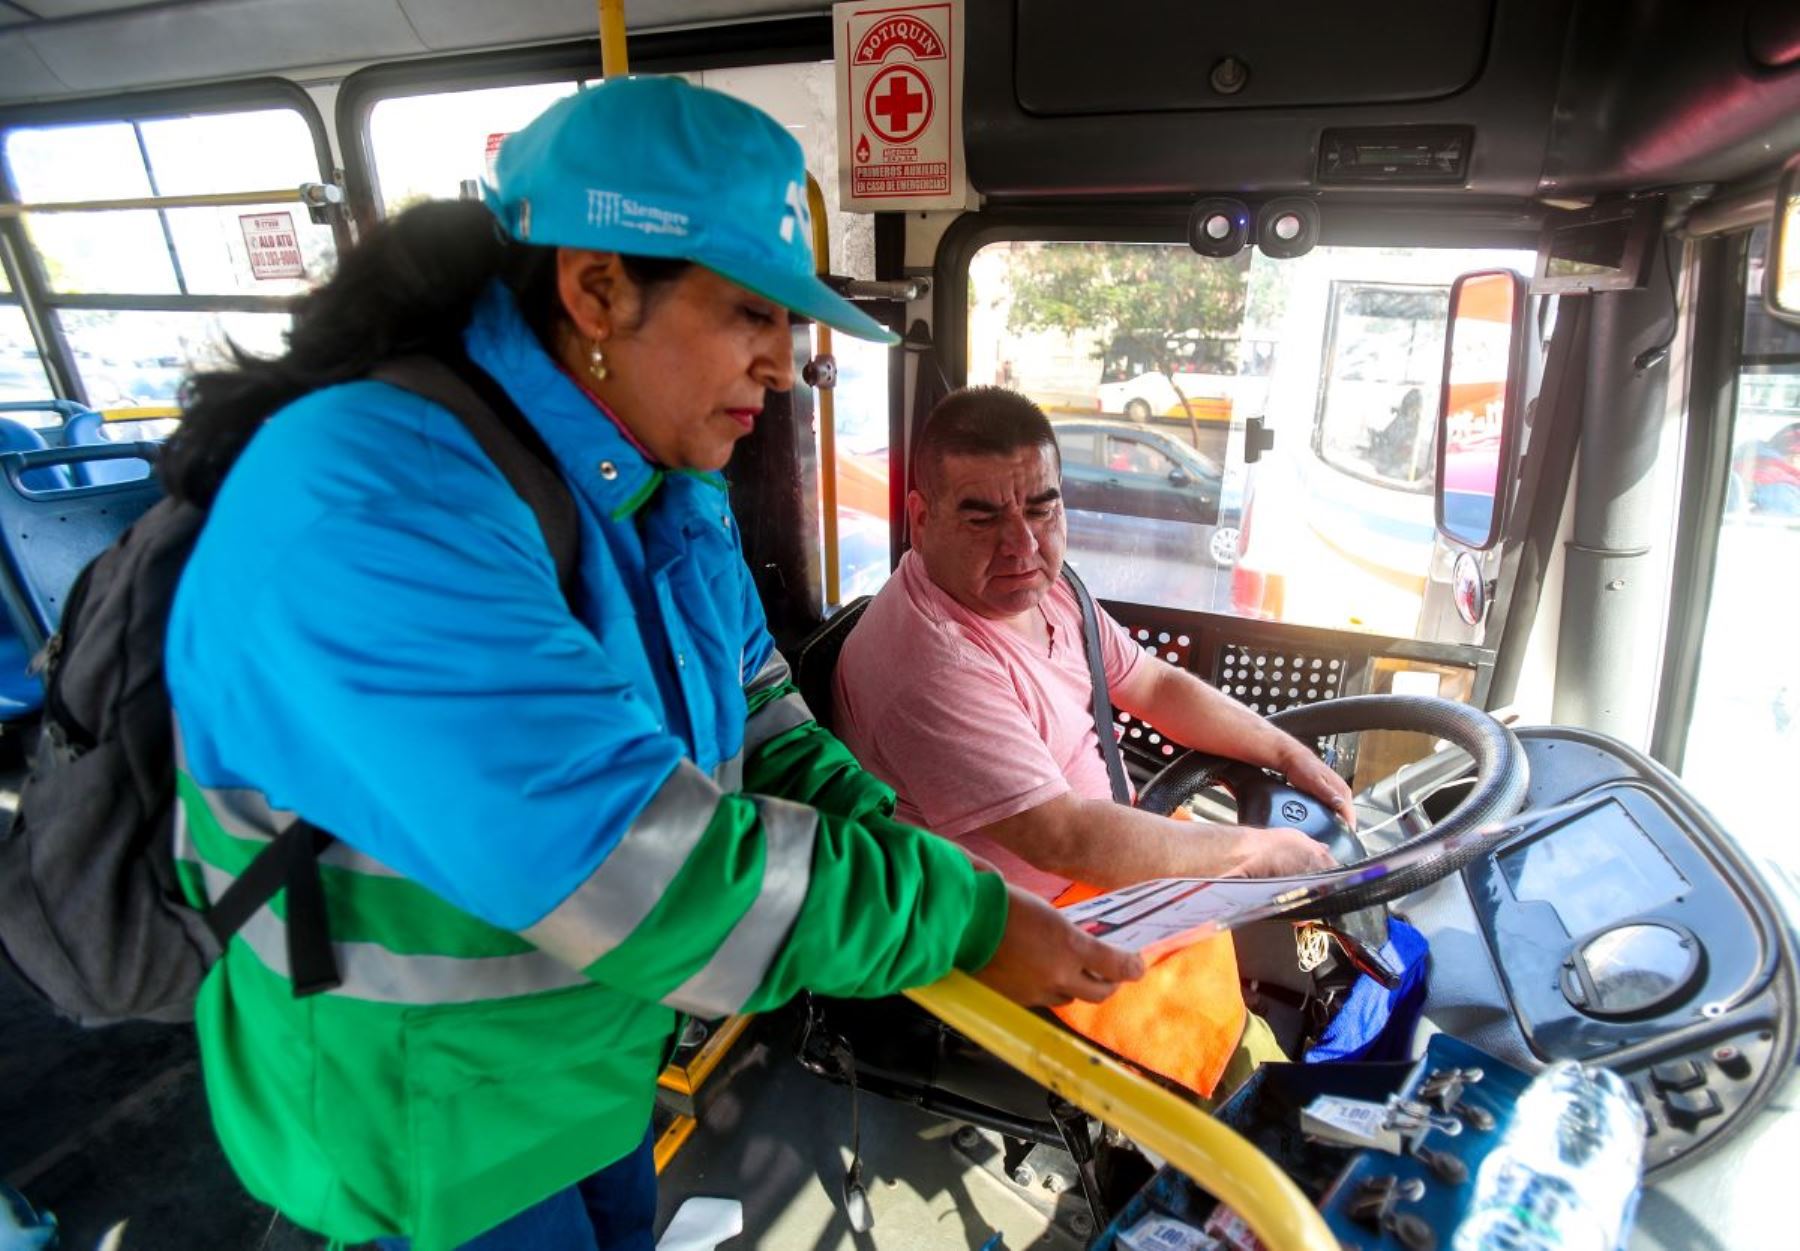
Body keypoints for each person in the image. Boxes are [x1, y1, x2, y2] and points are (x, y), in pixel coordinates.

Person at [161, 81, 1139, 1251]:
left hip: (591, 1064)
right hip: (411, 1137)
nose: (785, 365)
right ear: (596, 289)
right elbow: (637, 871)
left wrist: (897, 843)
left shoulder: (662, 483)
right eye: (750, 315)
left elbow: (762, 720)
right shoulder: (374, 505)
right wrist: (967, 915)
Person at [834, 386, 1355, 1099]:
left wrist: (1283, 749)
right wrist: (1254, 853)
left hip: (1115, 854)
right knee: (1232, 1079)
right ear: (921, 521)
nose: (1021, 543)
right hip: (1033, 930)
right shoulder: (929, 661)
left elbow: (1154, 684)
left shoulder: (1043, 589)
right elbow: (1065, 837)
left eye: (1042, 507)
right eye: (981, 515)